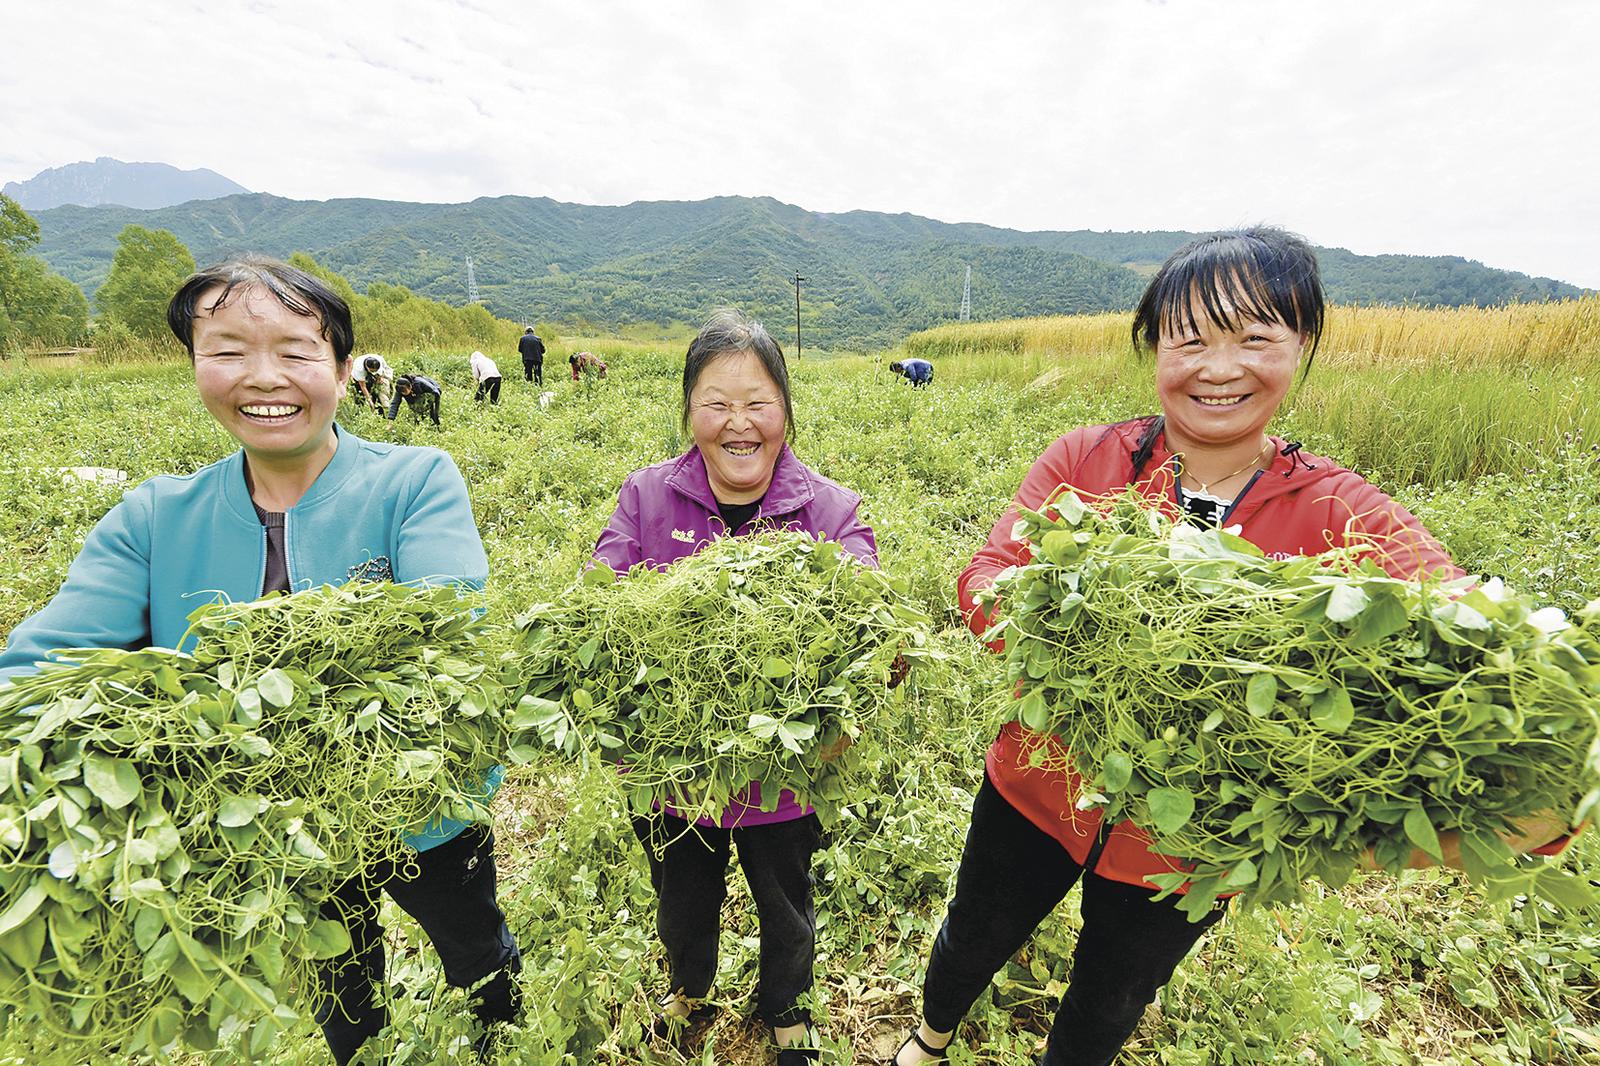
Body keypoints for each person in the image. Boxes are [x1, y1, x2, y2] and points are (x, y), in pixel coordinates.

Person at [890, 228, 1575, 1066]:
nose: (1219, 368)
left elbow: (1467, 627)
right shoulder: (1088, 460)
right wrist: (1085, 624)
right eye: (1190, 340)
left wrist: (1549, 746)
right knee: (974, 932)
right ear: (1154, 347)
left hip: (1188, 842)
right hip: (1037, 786)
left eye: (1254, 338)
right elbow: (984, 577)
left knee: (1114, 993)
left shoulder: (1340, 511)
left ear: (1301, 345)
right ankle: (930, 1037)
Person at [0, 256, 523, 1066]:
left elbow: (447, 628)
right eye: (229, 351)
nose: (264, 376)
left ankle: (503, 1032)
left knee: (472, 940)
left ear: (343, 372)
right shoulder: (154, 516)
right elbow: (42, 661)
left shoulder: (414, 480)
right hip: (272, 834)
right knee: (338, 976)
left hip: (422, 806)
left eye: (295, 350)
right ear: (195, 367)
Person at [593, 309, 875, 1065]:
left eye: (757, 403)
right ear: (690, 412)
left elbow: (872, 625)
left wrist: (860, 658)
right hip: (673, 772)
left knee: (786, 902)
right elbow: (598, 601)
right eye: (716, 403)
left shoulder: (829, 509)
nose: (738, 423)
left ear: (785, 410)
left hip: (785, 776)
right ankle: (690, 987)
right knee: (682, 897)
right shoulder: (647, 497)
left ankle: (787, 1006)